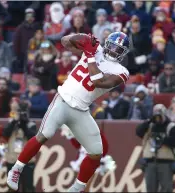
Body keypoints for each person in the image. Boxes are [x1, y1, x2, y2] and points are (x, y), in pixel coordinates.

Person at [7, 32, 131, 192]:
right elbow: (65, 41)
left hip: (81, 110)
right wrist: (83, 38)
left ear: (123, 53)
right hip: (63, 100)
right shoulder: (95, 48)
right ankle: (17, 168)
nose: (114, 51)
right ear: (107, 43)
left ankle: (77, 188)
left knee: (96, 152)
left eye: (118, 49)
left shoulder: (121, 71)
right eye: (113, 46)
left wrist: (89, 54)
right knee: (44, 135)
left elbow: (98, 81)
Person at [136, 104, 175, 192]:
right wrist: (149, 121)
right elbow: (138, 132)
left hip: (166, 163)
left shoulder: (171, 126)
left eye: (159, 115)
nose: (158, 118)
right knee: (150, 188)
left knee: (166, 188)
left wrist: (162, 139)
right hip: (150, 162)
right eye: (155, 115)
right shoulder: (150, 125)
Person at [2, 102, 37, 192]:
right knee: (12, 188)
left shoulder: (31, 124)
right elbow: (5, 134)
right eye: (19, 112)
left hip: (27, 161)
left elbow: (31, 137)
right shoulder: (11, 123)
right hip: (12, 159)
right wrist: (15, 121)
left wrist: (24, 125)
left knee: (28, 187)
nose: (21, 114)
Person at [13, 8, 41, 73]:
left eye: (31, 16)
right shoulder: (20, 28)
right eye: (28, 16)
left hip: (36, 53)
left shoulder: (37, 27)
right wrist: (18, 55)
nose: (30, 18)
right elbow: (16, 42)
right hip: (23, 54)